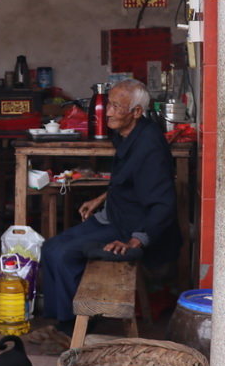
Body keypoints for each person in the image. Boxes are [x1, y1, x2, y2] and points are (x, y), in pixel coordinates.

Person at [38, 78, 181, 330]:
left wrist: (135, 241)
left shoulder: (149, 146)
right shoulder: (127, 135)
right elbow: (130, 180)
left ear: (136, 111)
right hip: (114, 215)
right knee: (50, 247)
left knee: (63, 255)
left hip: (131, 227)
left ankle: (73, 327)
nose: (108, 112)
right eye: (109, 105)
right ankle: (61, 319)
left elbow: (163, 204)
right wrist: (102, 198)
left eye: (116, 107)